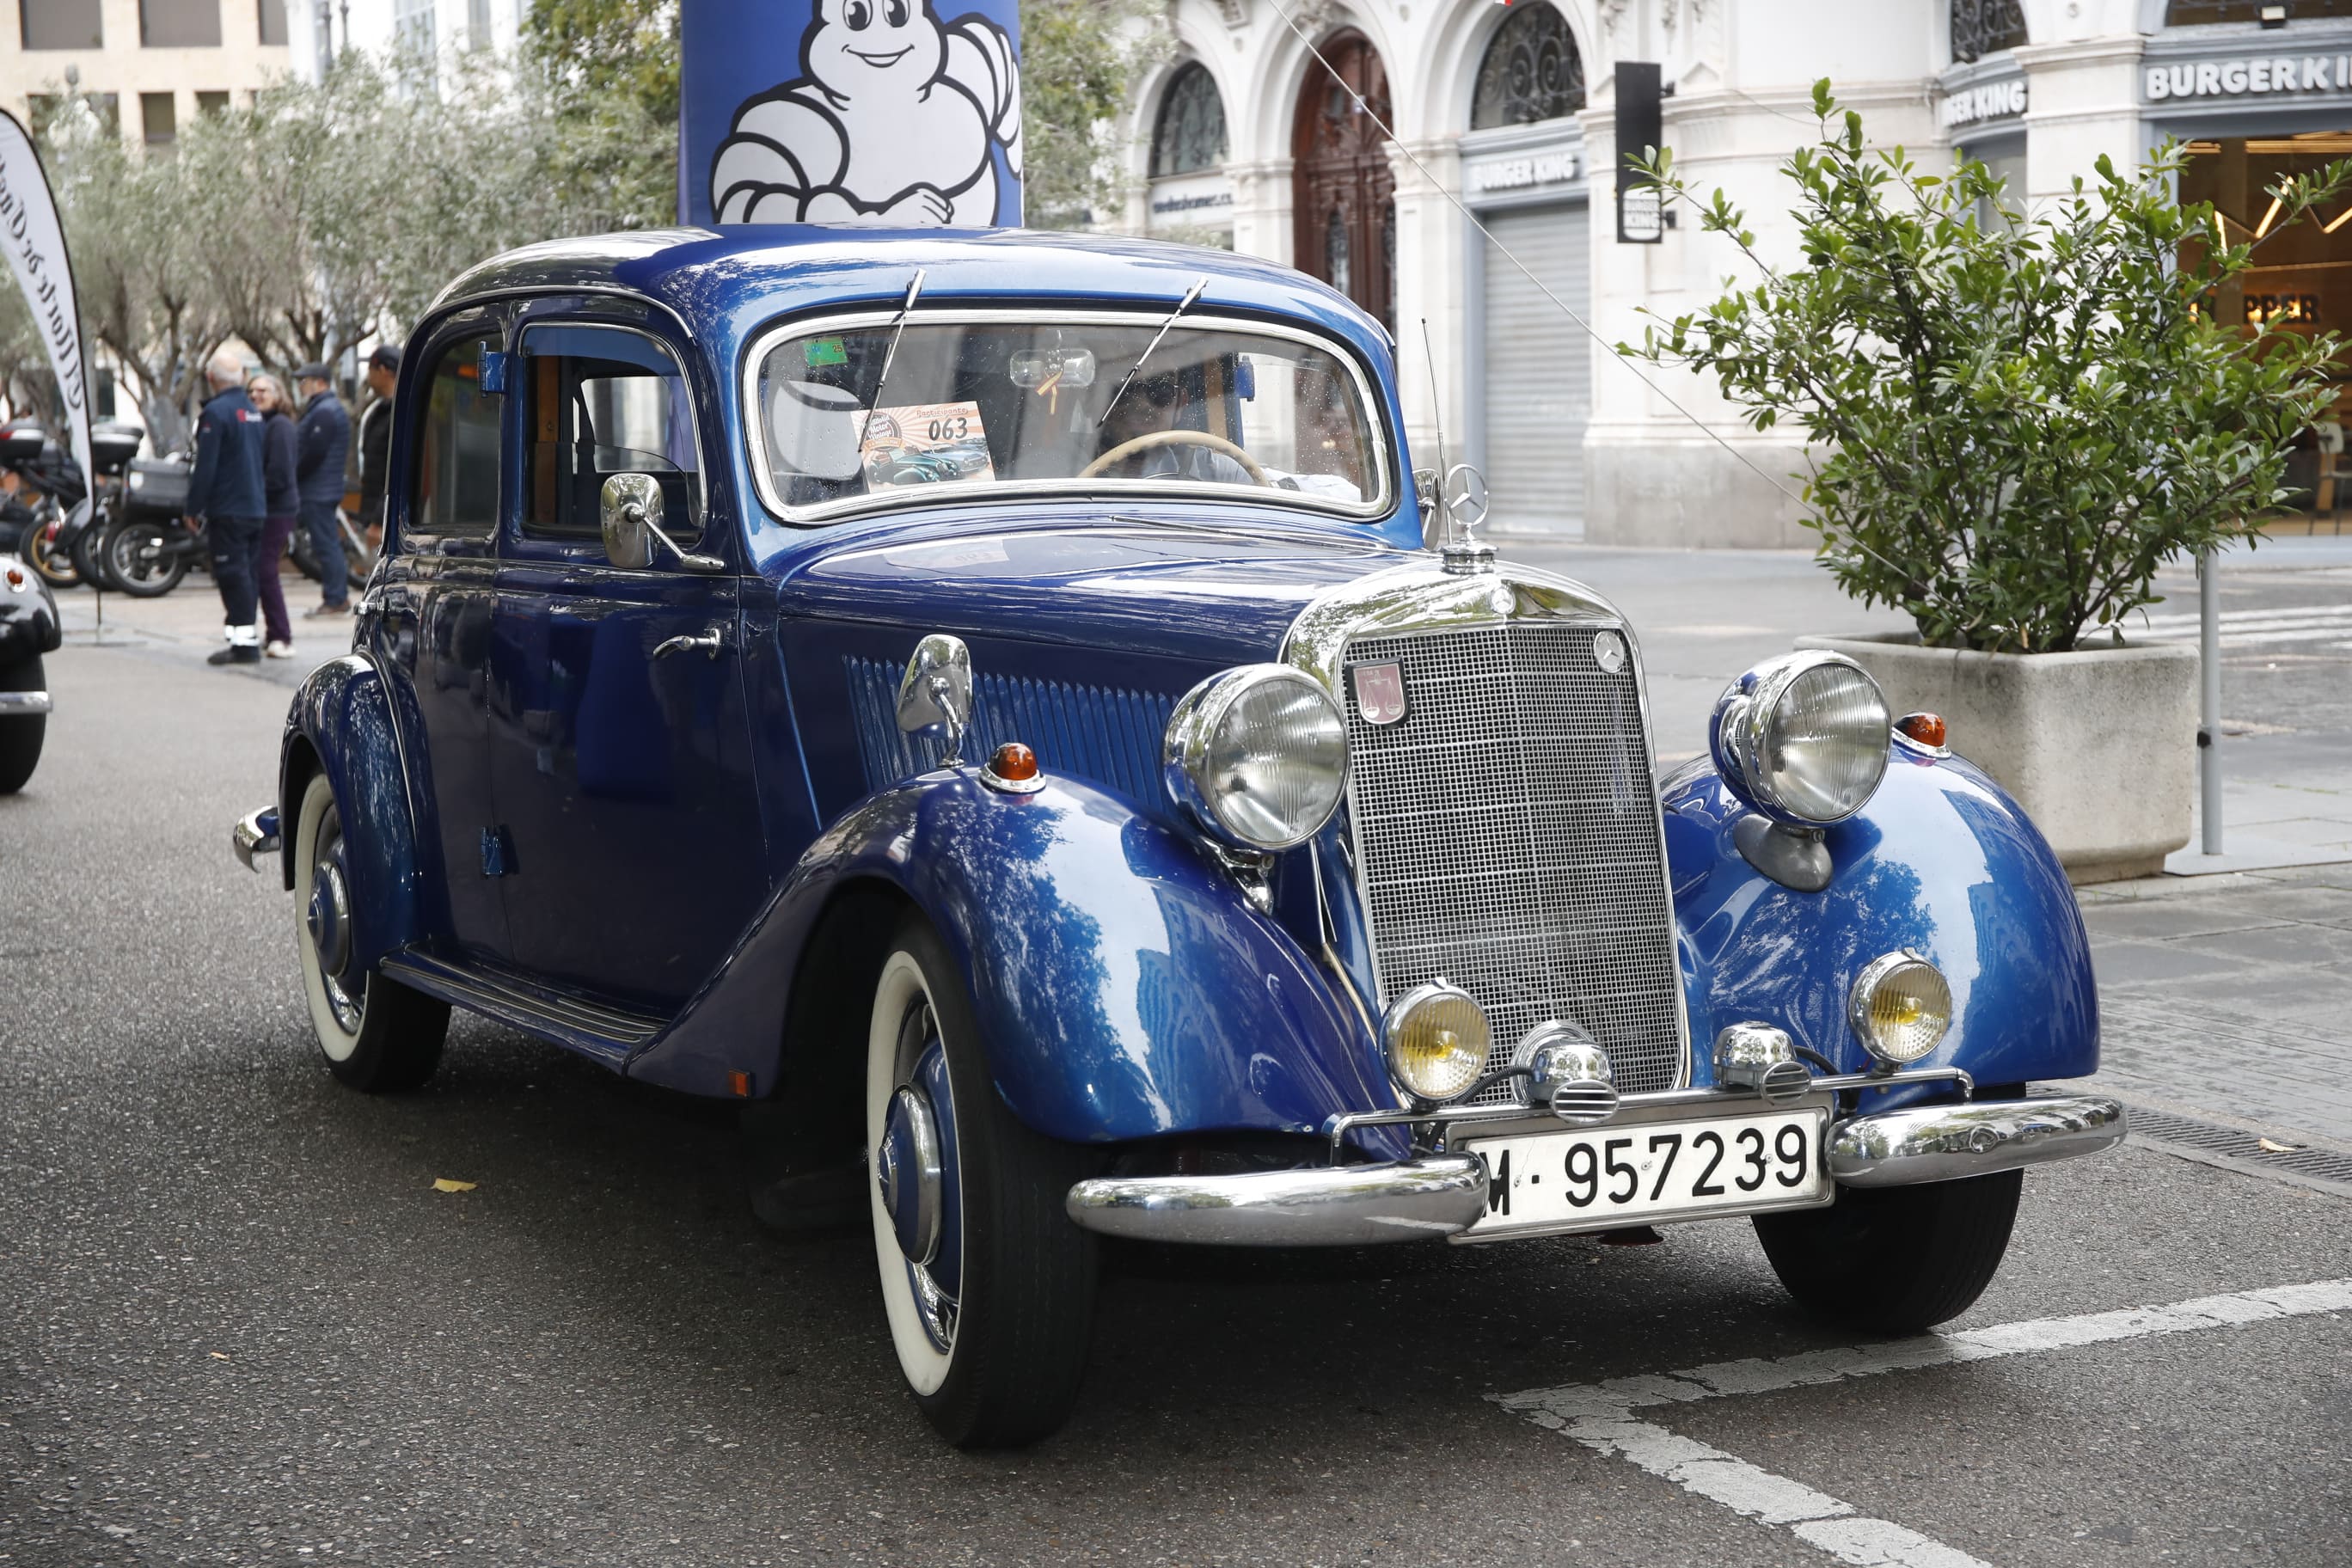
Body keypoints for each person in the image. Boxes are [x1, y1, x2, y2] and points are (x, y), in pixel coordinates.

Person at [184, 351, 268, 668]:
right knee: (246, 574)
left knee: (233, 575)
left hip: (229, 508)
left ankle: (244, 645)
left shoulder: (216, 413)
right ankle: (242, 639)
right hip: (254, 507)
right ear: (243, 377)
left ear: (210, 378)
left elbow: (207, 467)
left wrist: (193, 507)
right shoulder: (253, 411)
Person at [1096, 368, 1256, 486]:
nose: (1142, 404)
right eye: (1126, 390)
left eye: (1160, 390)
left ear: (1181, 402)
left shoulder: (1224, 476)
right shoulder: (1075, 468)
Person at [293, 360, 353, 619]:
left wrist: (296, 475)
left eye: (304, 381)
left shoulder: (325, 411)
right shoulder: (322, 408)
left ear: (320, 382)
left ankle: (336, 598)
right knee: (326, 544)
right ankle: (335, 596)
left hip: (319, 489)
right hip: (320, 487)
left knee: (326, 546)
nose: (300, 386)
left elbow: (315, 452)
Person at [248, 374, 298, 658]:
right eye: (252, 390)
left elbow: (278, 474)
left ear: (278, 394)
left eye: (263, 390)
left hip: (276, 508)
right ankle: (273, 634)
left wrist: (255, 495)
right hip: (266, 506)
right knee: (260, 569)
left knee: (265, 569)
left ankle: (281, 635)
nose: (256, 395)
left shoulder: (280, 426)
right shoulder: (262, 424)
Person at [352, 344, 398, 556]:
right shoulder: (378, 412)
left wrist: (381, 520)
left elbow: (397, 471)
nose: (368, 377)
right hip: (373, 514)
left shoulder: (399, 414)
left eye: (370, 370)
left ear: (383, 370)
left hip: (389, 522)